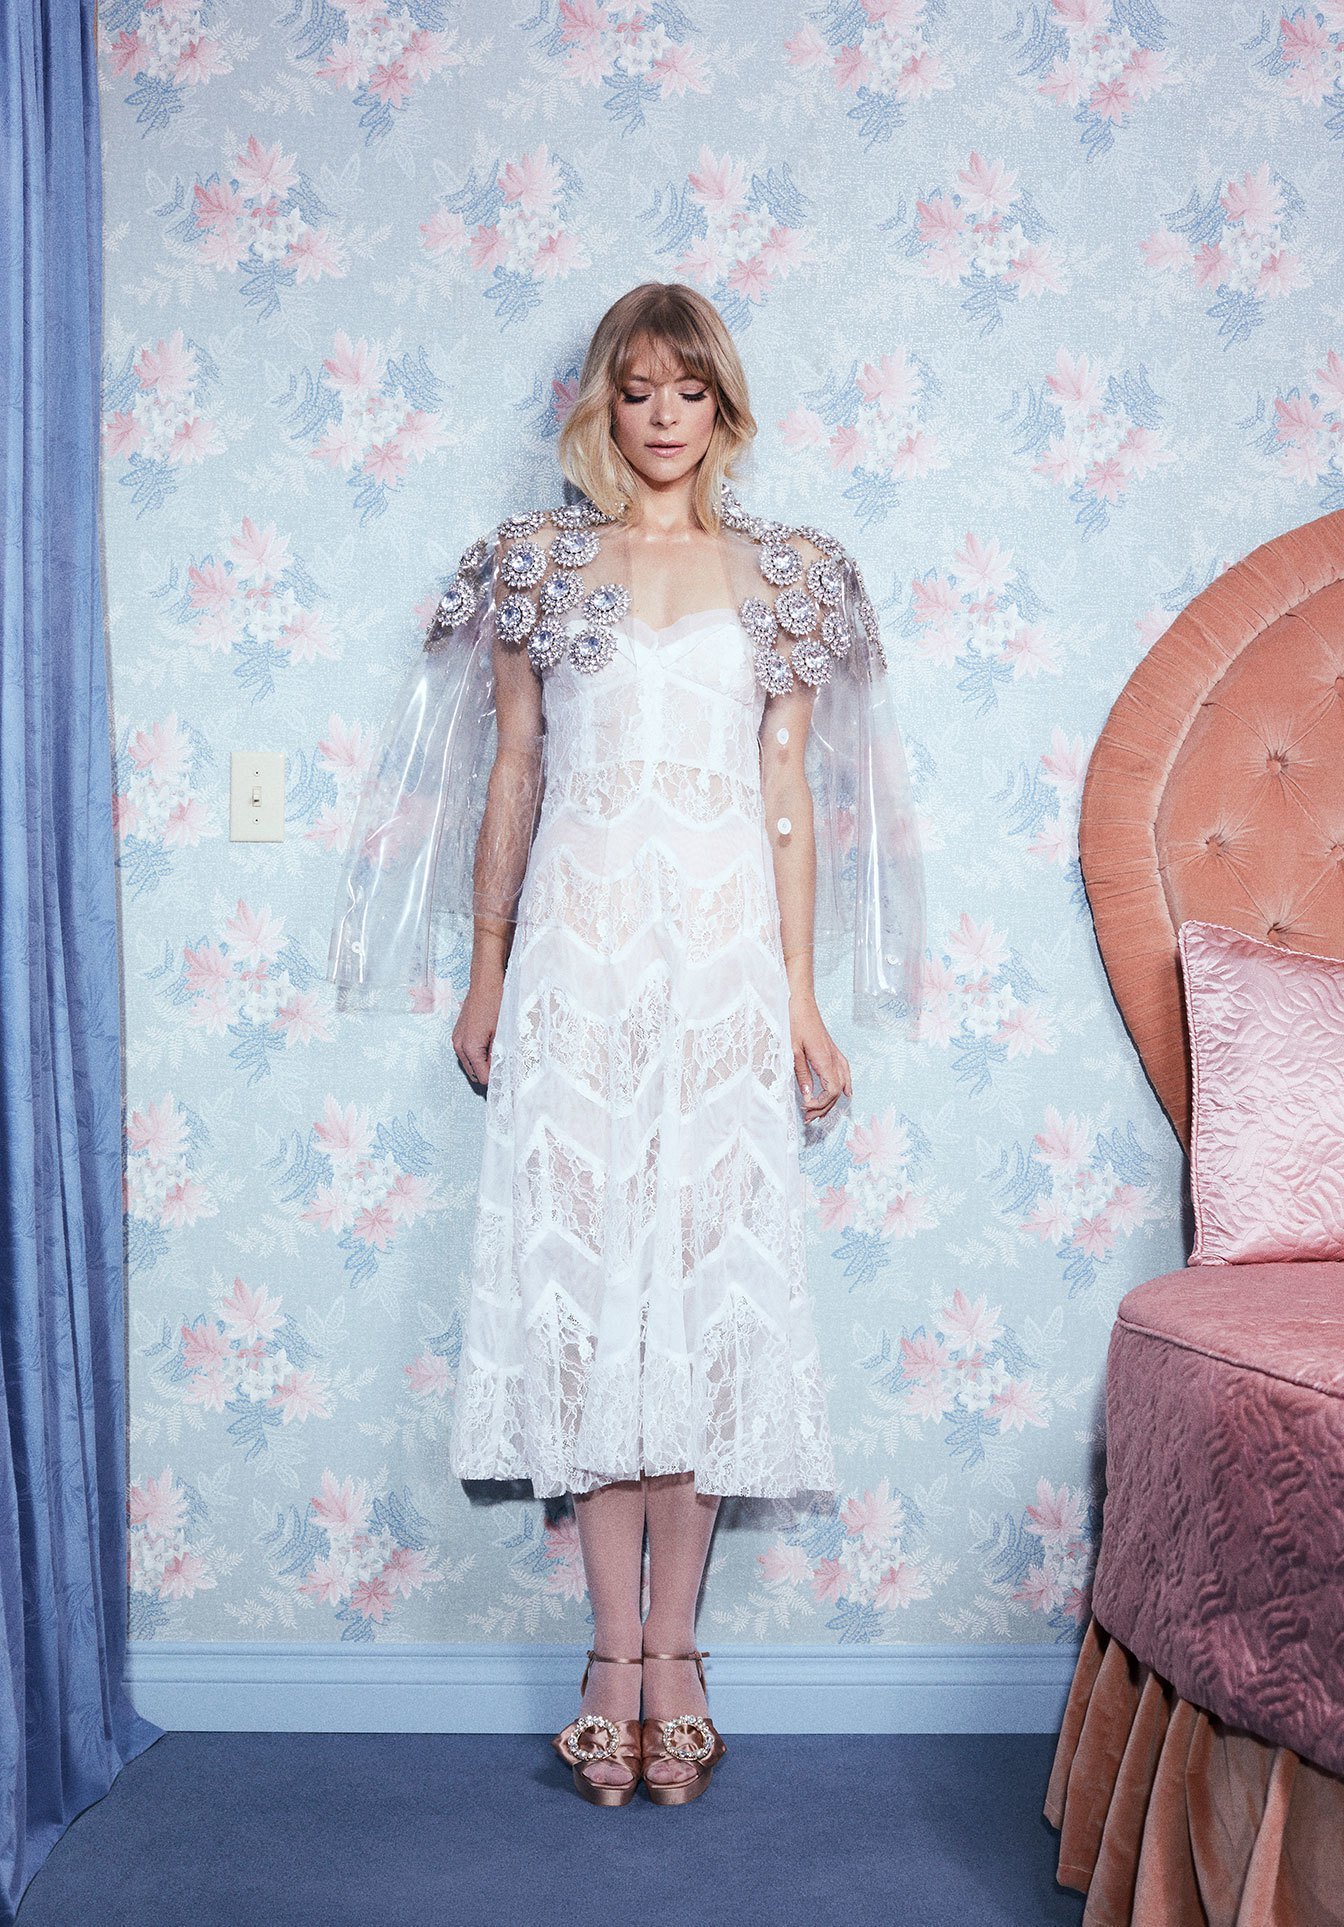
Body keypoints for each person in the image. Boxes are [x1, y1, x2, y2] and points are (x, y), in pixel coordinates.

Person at [327, 281, 924, 1807]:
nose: (664, 416)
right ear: (603, 403)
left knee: (704, 1290)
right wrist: (485, 967)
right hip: (578, 957)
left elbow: (787, 804)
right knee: (588, 1291)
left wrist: (799, 993)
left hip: (721, 959)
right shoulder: (537, 566)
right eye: (639, 388)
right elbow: (513, 772)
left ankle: (680, 1657)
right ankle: (610, 1659)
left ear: (725, 408)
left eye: (690, 390)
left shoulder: (786, 576)